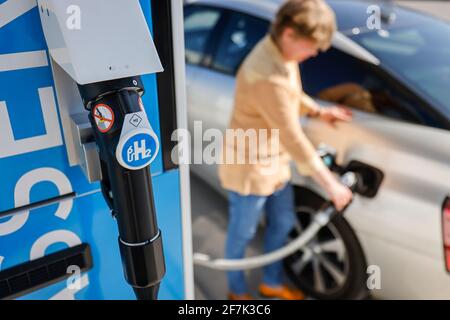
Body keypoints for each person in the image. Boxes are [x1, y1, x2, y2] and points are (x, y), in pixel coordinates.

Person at [218, 0, 353, 300]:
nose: (315, 53)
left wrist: (318, 112)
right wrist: (330, 184)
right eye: (312, 46)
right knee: (243, 233)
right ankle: (236, 292)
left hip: (276, 162)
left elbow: (292, 95)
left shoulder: (280, 51)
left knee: (282, 222)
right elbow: (291, 134)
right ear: (289, 34)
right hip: (250, 169)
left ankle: (272, 282)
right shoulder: (265, 74)